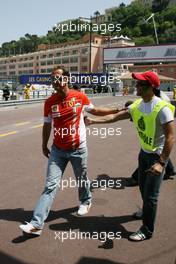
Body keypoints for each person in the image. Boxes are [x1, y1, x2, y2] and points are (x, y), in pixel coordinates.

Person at [19, 66, 120, 236]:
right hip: (57, 151)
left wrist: (116, 110)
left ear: (66, 79)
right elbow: (46, 124)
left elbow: (94, 110)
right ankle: (37, 224)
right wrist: (44, 145)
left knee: (81, 178)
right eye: (52, 78)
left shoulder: (79, 97)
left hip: (78, 149)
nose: (54, 81)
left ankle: (86, 200)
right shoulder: (49, 102)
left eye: (57, 77)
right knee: (50, 186)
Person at [85, 71, 175, 241]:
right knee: (142, 187)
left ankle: (147, 230)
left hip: (157, 157)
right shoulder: (137, 105)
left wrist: (162, 162)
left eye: (140, 84)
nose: (136, 86)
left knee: (151, 196)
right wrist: (93, 121)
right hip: (144, 153)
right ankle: (145, 212)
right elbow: (115, 117)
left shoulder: (162, 108)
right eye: (137, 83)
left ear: (151, 87)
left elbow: (171, 136)